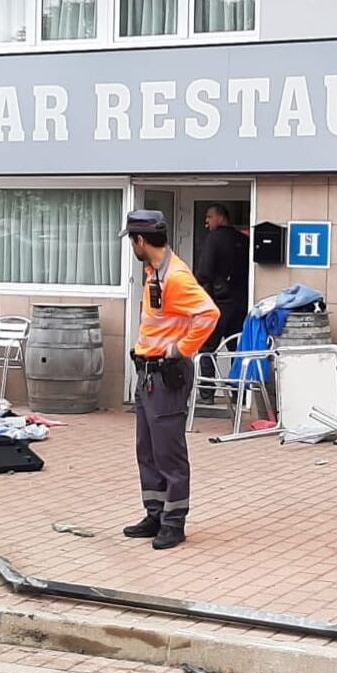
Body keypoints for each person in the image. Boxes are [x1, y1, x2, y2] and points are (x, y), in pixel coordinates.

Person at [121, 210, 219, 550]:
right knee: (147, 449)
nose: (132, 247)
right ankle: (155, 513)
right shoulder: (154, 273)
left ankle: (174, 522)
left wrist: (180, 349)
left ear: (140, 241)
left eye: (131, 241)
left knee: (168, 452)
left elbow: (209, 314)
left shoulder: (175, 276)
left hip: (165, 375)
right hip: (147, 373)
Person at [194, 203, 250, 403]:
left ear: (220, 217)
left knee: (207, 347)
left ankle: (207, 393)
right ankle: (239, 393)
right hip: (241, 303)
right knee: (237, 348)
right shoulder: (243, 241)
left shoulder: (214, 239)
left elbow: (204, 272)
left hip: (219, 303)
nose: (206, 222)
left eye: (209, 217)